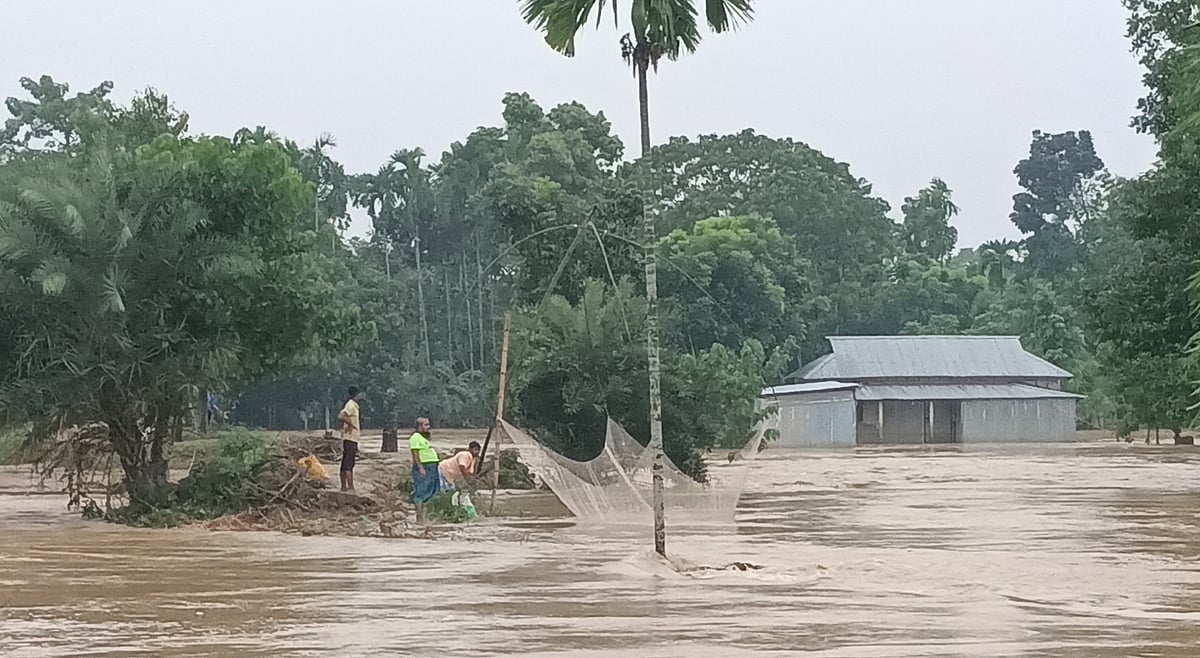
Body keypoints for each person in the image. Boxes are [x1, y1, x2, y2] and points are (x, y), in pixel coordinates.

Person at [438, 441, 482, 518]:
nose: (477, 452)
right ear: (470, 449)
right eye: (475, 449)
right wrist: (467, 479)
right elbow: (462, 467)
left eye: (478, 450)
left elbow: (470, 473)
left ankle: (450, 511)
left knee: (453, 492)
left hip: (450, 476)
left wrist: (471, 479)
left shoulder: (472, 460)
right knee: (445, 491)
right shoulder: (465, 455)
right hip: (443, 470)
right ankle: (443, 510)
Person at [409, 417, 441, 516]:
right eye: (426, 425)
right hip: (424, 467)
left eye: (428, 424)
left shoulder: (423, 438)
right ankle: (420, 518)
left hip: (432, 467)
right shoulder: (415, 437)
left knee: (432, 491)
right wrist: (420, 468)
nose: (428, 427)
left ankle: (427, 516)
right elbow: (415, 454)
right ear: (419, 426)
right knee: (422, 491)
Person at [337, 386, 364, 492]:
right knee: (349, 463)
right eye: (359, 394)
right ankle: (350, 487)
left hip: (351, 438)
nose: (361, 395)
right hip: (350, 438)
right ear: (356, 395)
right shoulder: (351, 405)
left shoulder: (353, 406)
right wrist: (351, 425)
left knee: (345, 462)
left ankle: (344, 486)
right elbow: (341, 416)